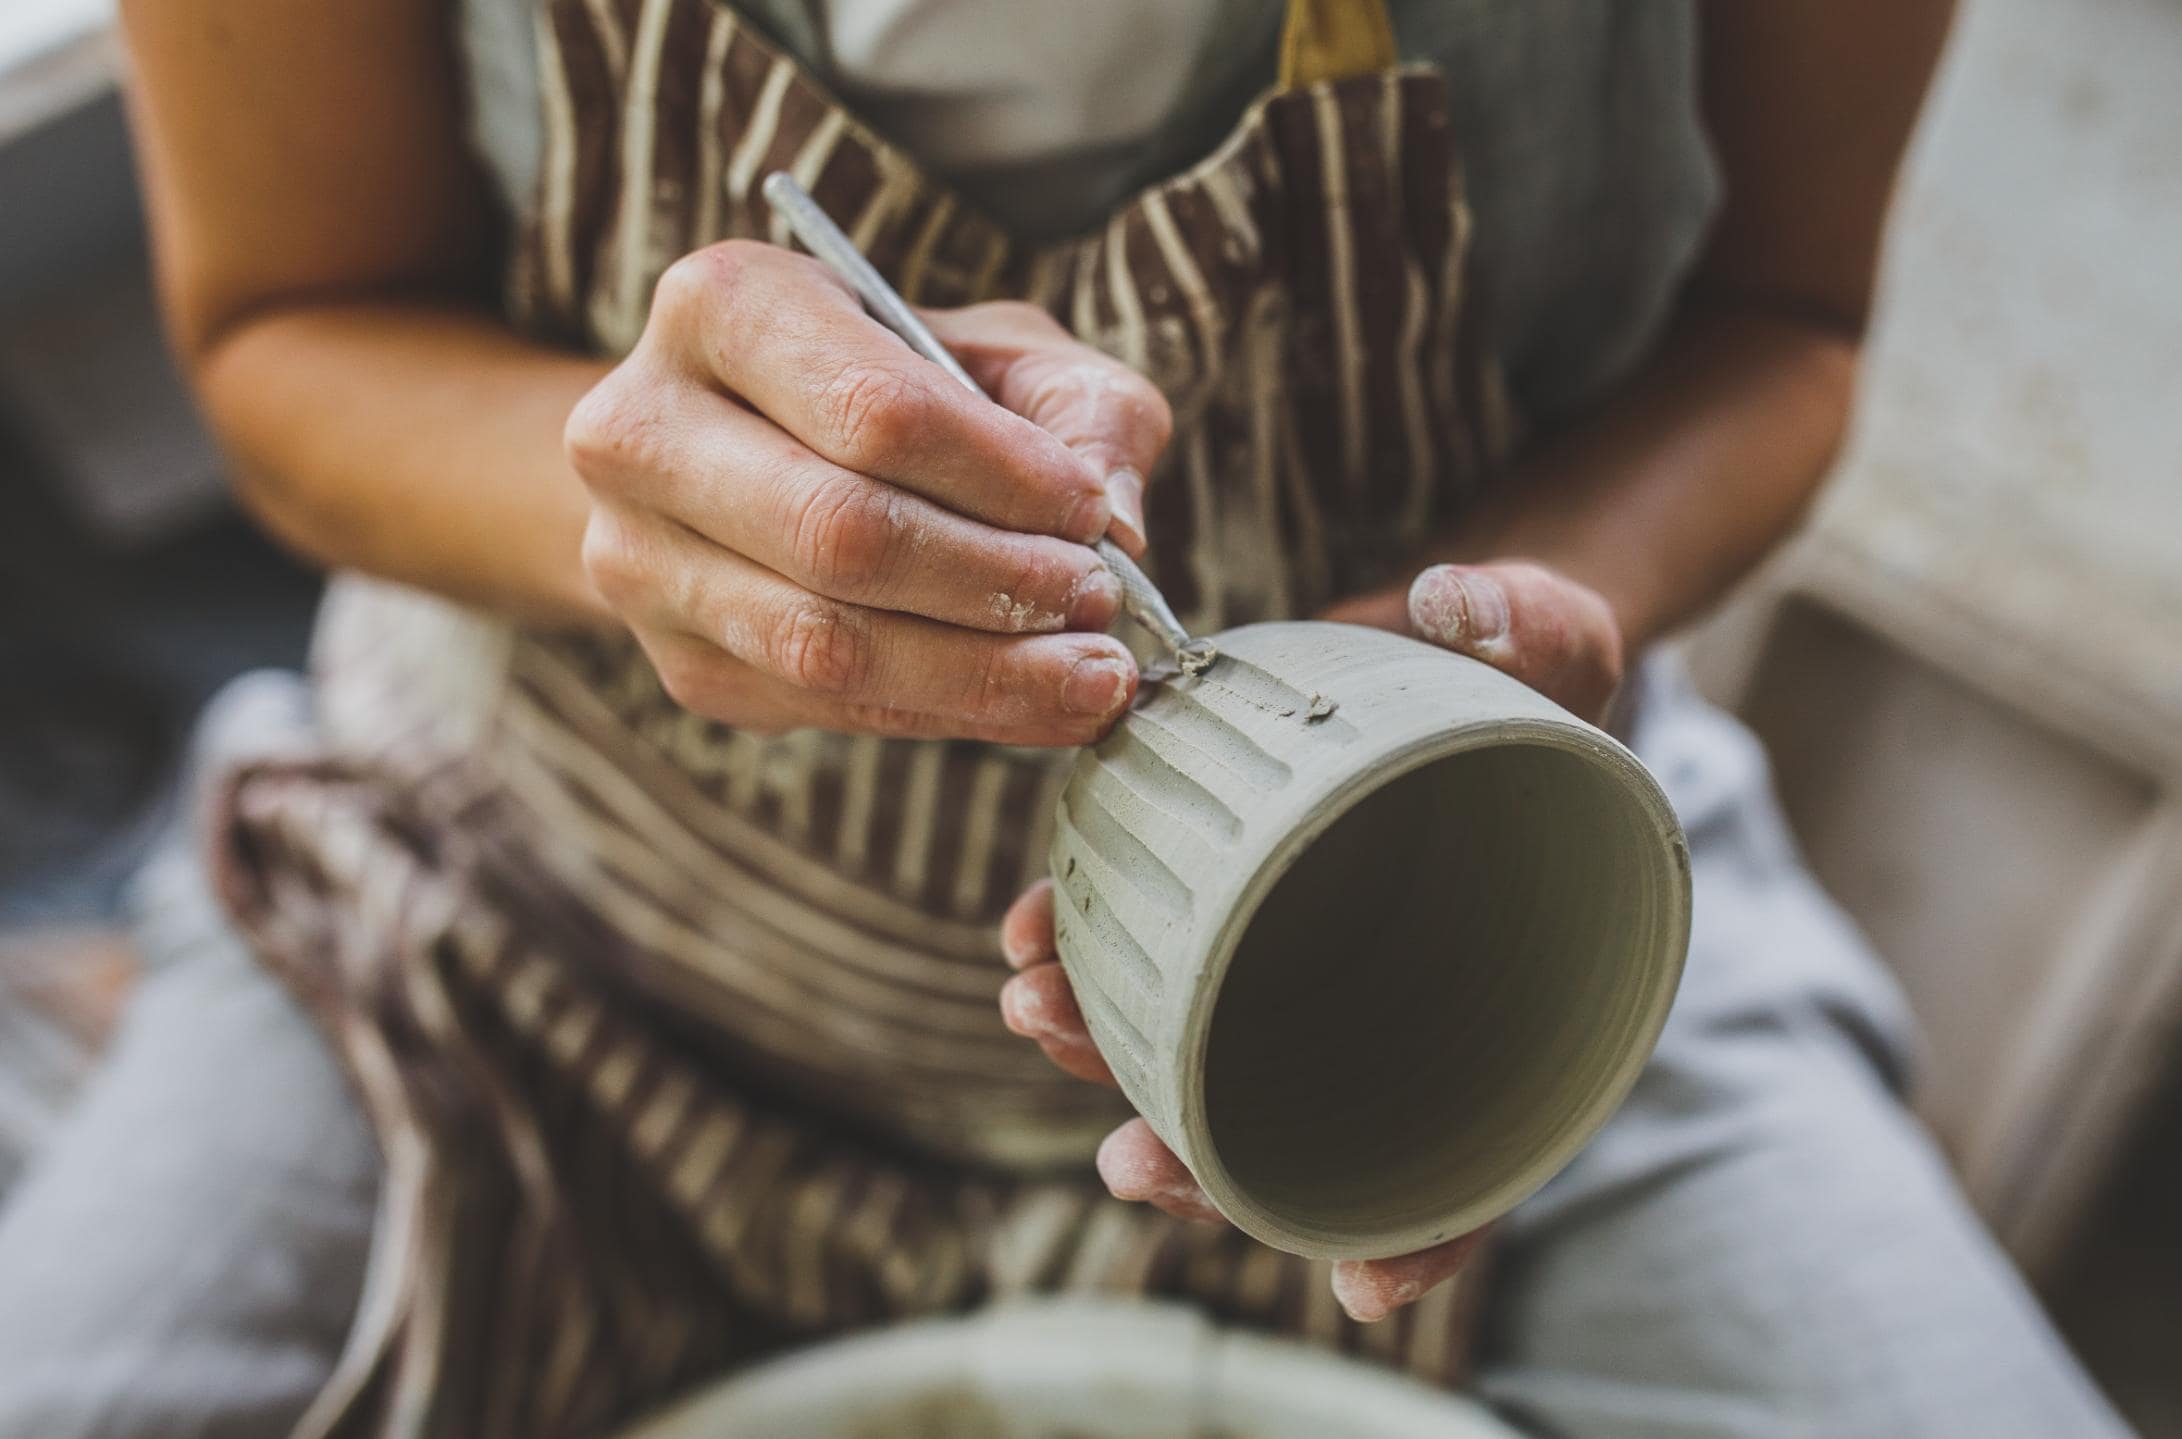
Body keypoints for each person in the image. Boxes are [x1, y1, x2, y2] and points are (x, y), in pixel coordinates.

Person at [0, 0, 2135, 1435]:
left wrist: (1483, 656)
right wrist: (639, 515)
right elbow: (286, 325)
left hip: (1456, 886)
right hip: (523, 910)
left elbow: (1786, 322)